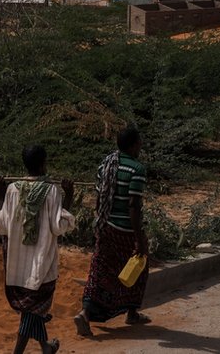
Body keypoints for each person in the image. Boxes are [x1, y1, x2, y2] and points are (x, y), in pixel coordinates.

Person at [0, 145, 76, 354]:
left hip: (17, 266)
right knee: (32, 312)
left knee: (33, 310)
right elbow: (59, 226)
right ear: (42, 165)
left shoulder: (12, 190)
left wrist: (1, 197)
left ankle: (45, 347)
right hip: (42, 263)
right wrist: (69, 197)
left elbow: (1, 226)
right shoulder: (51, 191)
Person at [74, 125, 151, 337]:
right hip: (126, 231)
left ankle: (84, 313)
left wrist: (102, 223)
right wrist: (139, 239)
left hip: (106, 227)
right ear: (134, 145)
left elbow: (99, 201)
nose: (141, 145)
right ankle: (132, 313)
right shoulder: (137, 169)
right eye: (139, 142)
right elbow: (133, 206)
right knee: (139, 269)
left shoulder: (105, 165)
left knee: (99, 272)